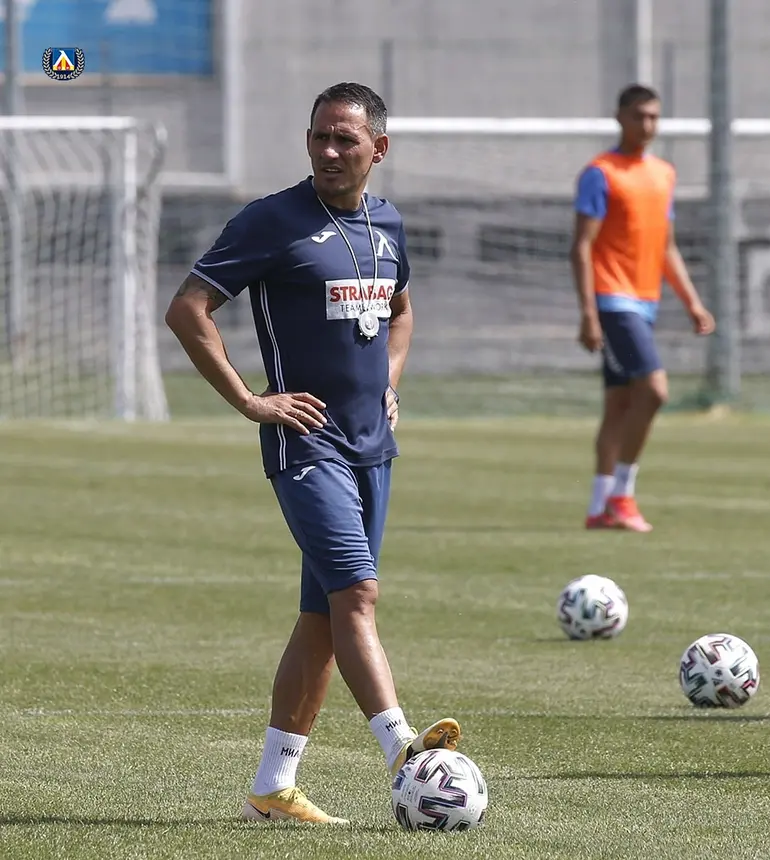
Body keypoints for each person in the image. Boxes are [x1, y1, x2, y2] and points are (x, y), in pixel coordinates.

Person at [165, 82, 461, 824]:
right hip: (307, 444)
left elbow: (400, 312)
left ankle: (272, 787)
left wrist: (389, 381)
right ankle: (404, 753)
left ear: (377, 149)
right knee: (357, 595)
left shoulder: (387, 223)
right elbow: (188, 309)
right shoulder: (272, 220)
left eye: (345, 140)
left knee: (325, 619)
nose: (328, 151)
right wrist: (251, 400)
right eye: (319, 137)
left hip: (373, 448)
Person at [571, 83, 716, 532]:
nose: (647, 125)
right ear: (620, 117)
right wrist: (589, 313)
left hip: (646, 301)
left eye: (654, 116)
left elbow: (667, 246)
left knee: (619, 404)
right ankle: (623, 495)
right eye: (638, 116)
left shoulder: (663, 174)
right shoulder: (601, 173)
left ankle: (599, 507)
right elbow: (582, 246)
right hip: (613, 300)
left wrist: (692, 302)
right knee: (654, 391)